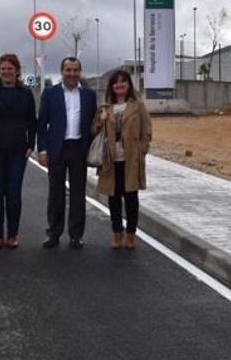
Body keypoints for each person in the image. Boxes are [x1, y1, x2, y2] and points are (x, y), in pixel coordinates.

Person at [0, 54, 37, 249]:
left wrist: (30, 145)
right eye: (3, 68)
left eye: (10, 68)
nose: (6, 72)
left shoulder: (25, 93)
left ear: (17, 71)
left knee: (13, 193)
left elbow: (32, 122)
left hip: (18, 151)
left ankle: (12, 235)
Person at [37, 57, 97, 249]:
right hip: (57, 148)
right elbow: (42, 124)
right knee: (56, 193)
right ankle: (54, 233)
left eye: (75, 70)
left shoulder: (89, 95)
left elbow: (93, 124)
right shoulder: (50, 93)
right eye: (68, 70)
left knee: (78, 194)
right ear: (62, 72)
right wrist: (42, 149)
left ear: (80, 72)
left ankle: (76, 235)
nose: (72, 74)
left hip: (79, 148)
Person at [91, 69, 152, 250]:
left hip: (130, 158)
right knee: (114, 197)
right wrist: (101, 121)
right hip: (110, 159)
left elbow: (147, 130)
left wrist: (142, 151)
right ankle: (117, 232)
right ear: (112, 86)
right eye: (116, 82)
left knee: (131, 197)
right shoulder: (105, 107)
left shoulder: (137, 106)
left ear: (128, 85)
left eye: (123, 81)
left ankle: (131, 234)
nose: (119, 85)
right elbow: (93, 131)